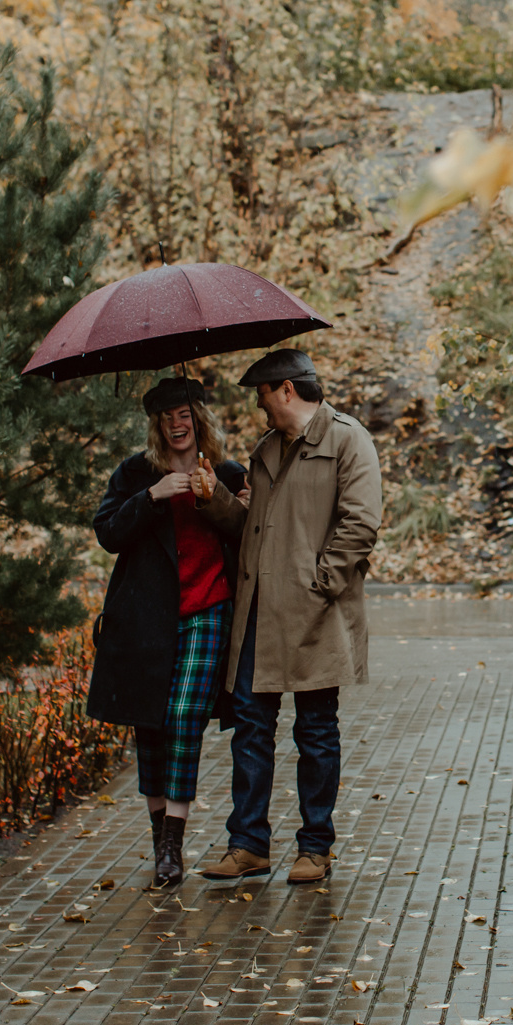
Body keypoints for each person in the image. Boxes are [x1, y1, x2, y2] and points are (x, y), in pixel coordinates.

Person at [198, 348, 383, 885]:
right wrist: (213, 500)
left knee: (316, 732)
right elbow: (251, 528)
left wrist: (319, 582)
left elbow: (361, 523)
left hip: (317, 616)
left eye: (262, 396)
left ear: (285, 389)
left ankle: (315, 848)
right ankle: (248, 844)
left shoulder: (348, 439)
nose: (260, 409)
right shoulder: (265, 451)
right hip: (257, 613)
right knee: (250, 730)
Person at [89, 376, 247, 887]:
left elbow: (246, 530)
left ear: (198, 419)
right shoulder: (136, 473)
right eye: (167, 418)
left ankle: (172, 844)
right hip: (147, 620)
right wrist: (153, 496)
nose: (177, 425)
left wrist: (217, 495)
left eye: (185, 416)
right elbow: (108, 533)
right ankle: (162, 843)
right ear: (156, 425)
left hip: (208, 609)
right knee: (150, 725)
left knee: (183, 716)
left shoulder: (223, 470)